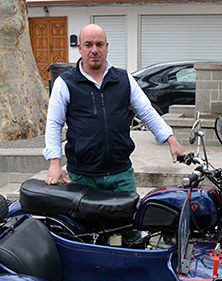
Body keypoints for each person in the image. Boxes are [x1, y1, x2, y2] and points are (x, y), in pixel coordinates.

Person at [42, 23, 187, 193]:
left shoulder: (124, 78)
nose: (94, 50)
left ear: (107, 47)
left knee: (130, 219)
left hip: (121, 175)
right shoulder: (65, 83)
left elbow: (147, 112)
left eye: (99, 44)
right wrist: (54, 163)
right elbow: (54, 123)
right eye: (88, 45)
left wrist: (172, 140)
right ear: (80, 48)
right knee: (86, 221)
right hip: (83, 176)